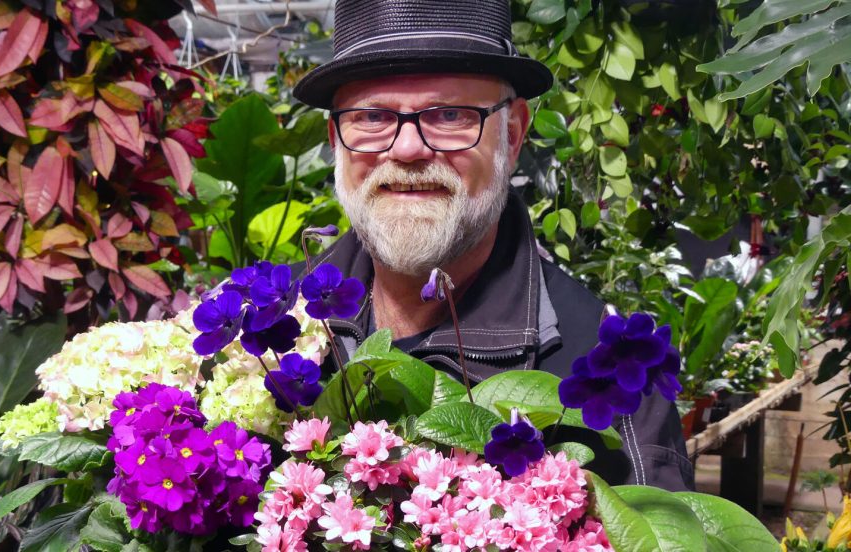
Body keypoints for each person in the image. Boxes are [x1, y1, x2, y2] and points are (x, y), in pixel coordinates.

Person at [292, 0, 693, 491]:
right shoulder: (271, 330)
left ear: (513, 133)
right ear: (336, 139)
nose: (407, 149)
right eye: (372, 116)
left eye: (450, 114)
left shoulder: (605, 364)